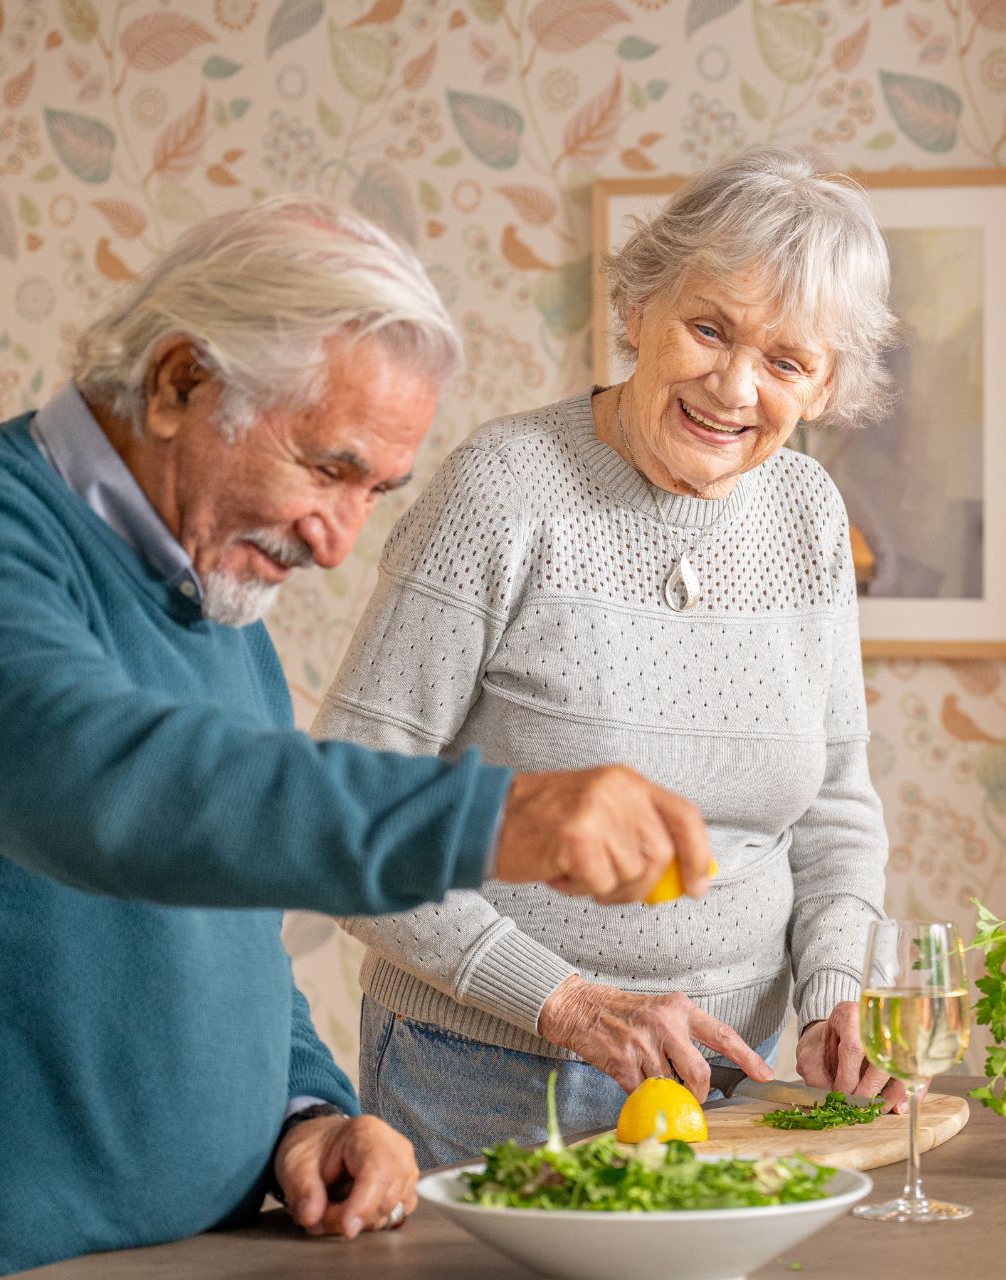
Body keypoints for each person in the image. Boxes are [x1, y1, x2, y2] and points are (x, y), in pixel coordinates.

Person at [0, 198, 712, 1280]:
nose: (338, 539)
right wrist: (496, 814)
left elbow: (229, 921)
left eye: (376, 491)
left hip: (207, 1248)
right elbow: (105, 785)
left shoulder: (216, 592)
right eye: (326, 467)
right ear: (179, 382)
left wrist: (306, 1108)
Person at [314, 147, 905, 1166]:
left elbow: (836, 808)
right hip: (484, 1075)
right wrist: (566, 1002)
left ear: (826, 387)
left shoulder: (809, 514)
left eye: (785, 361)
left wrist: (831, 996)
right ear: (639, 307)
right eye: (708, 327)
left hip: (739, 1085)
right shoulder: (502, 493)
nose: (732, 385)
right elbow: (347, 812)